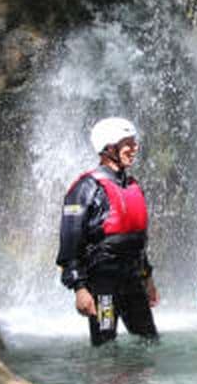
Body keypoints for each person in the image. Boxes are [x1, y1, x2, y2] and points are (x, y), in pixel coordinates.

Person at [56, 117, 159, 346]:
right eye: (128, 143)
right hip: (102, 285)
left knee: (150, 342)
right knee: (105, 346)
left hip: (133, 281)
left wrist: (148, 278)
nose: (134, 148)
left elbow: (137, 241)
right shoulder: (85, 188)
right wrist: (79, 288)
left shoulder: (132, 185)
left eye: (134, 143)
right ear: (108, 148)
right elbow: (70, 241)